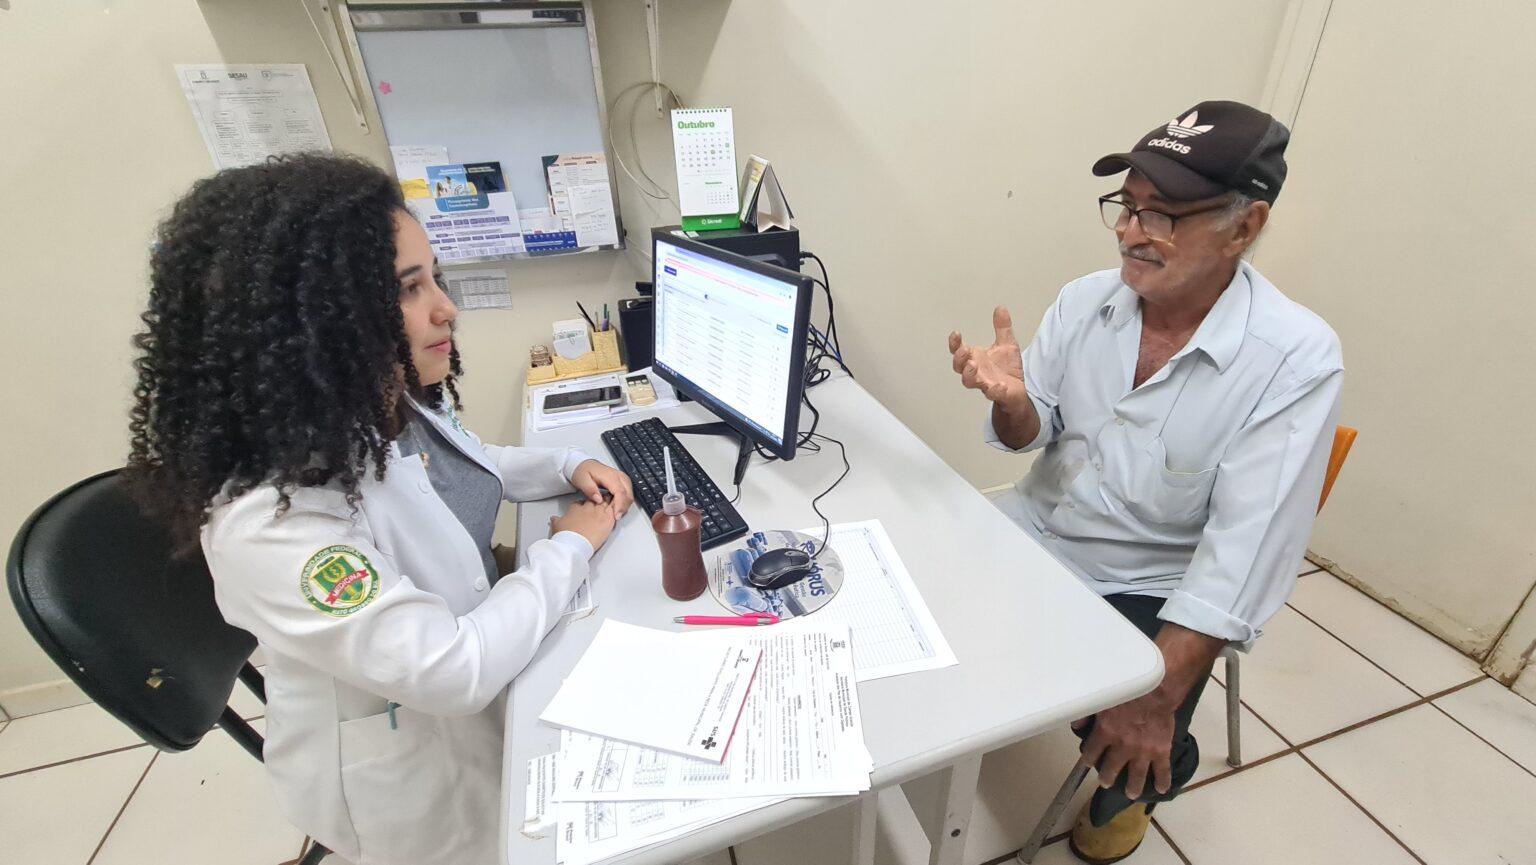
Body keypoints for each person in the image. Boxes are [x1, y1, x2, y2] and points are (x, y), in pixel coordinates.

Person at [125, 153, 634, 865]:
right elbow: (453, 668)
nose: (445, 308)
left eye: (434, 279)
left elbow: (463, 465)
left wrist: (562, 464)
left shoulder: (371, 406)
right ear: (308, 317)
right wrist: (569, 546)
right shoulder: (270, 525)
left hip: (479, 682)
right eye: (408, 288)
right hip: (420, 785)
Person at [946, 101, 1342, 864]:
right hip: (1038, 526)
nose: (1130, 232)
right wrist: (1016, 403)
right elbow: (1032, 433)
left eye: (1161, 215)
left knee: (1129, 734)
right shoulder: (1086, 300)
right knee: (917, 601)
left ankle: (1144, 778)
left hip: (1150, 576)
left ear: (1245, 226)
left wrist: (1155, 696)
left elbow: (1245, 549)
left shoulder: (1294, 359)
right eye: (1126, 207)